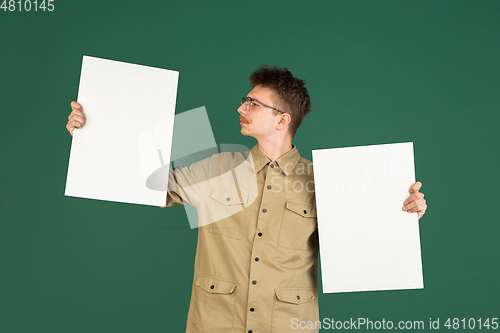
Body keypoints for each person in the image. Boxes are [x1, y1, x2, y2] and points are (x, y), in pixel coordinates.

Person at [66, 66, 427, 333]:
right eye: (245, 100)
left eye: (252, 103)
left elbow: (364, 242)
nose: (241, 108)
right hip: (214, 325)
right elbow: (145, 186)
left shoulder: (324, 181)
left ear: (282, 119)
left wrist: (404, 211)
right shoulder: (219, 167)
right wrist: (93, 132)